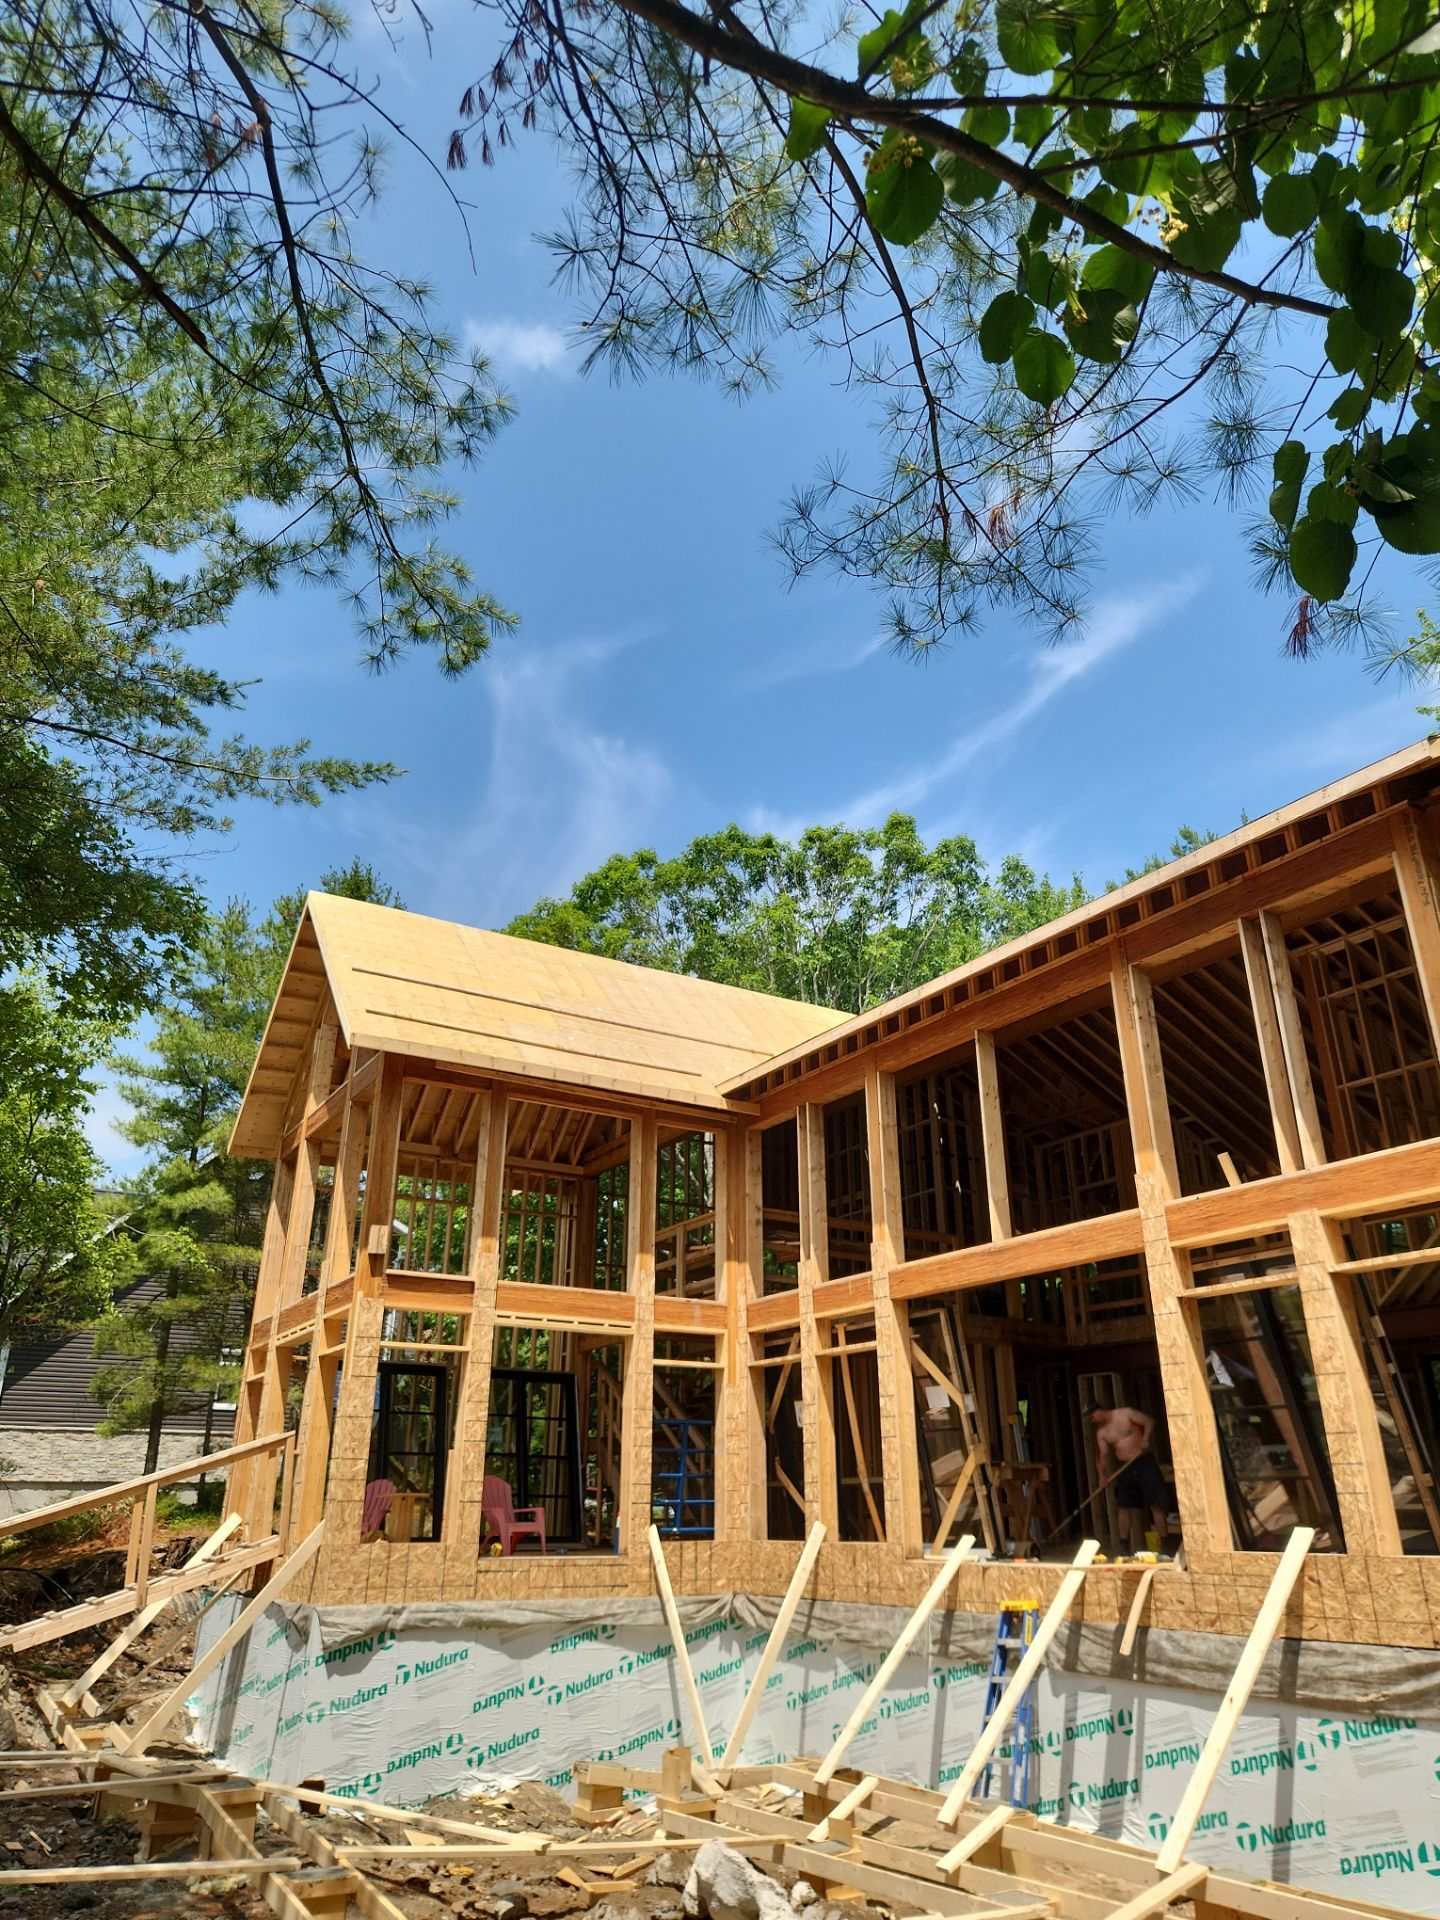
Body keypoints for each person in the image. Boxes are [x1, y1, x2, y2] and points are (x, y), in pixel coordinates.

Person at [1086, 1402, 1170, 1554]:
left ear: (1099, 1411)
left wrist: (1145, 1438)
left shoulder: (1125, 1413)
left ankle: (1164, 1543)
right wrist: (1102, 1476)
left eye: (1092, 1417)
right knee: (1123, 1507)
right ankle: (1123, 1545)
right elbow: (1103, 1455)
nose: (1093, 1421)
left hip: (1144, 1462)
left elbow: (1149, 1421)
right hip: (1125, 1467)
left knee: (1155, 1503)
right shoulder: (1102, 1433)